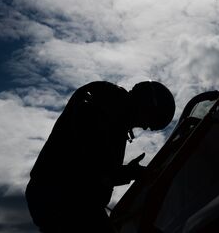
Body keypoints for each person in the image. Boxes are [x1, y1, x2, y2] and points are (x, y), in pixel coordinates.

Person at [25, 81, 176, 232]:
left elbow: (96, 170)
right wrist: (129, 172)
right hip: (60, 198)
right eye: (148, 121)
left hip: (70, 199)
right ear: (145, 104)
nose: (143, 127)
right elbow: (88, 167)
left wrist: (126, 172)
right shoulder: (98, 108)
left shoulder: (113, 114)